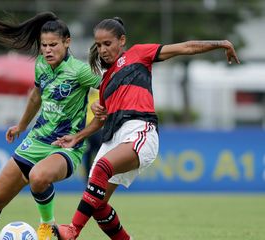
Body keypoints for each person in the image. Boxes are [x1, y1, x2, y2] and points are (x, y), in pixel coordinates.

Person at [52, 17, 240, 240]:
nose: (102, 50)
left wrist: (221, 43)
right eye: (99, 45)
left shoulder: (138, 54)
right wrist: (78, 136)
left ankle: (73, 230)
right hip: (114, 137)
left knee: (101, 169)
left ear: (122, 40)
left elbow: (185, 47)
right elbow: (100, 120)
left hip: (140, 130)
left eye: (107, 43)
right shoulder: (105, 82)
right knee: (97, 204)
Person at [0, 12, 101, 240]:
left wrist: (101, 109)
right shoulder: (40, 64)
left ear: (67, 42)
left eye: (53, 45)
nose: (47, 50)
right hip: (36, 140)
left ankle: (46, 227)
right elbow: (35, 96)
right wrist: (20, 126)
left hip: (65, 146)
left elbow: (111, 88)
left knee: (38, 177)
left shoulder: (80, 71)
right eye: (43, 45)